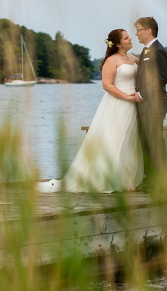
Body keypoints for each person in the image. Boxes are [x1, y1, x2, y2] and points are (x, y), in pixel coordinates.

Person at [37, 29, 144, 193]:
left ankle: (127, 179)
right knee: (115, 139)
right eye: (126, 37)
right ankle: (108, 178)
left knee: (129, 140)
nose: (130, 39)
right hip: (118, 104)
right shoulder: (112, 60)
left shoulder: (133, 58)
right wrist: (128, 98)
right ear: (117, 44)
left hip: (133, 105)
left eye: (129, 36)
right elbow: (107, 85)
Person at [133, 17, 167, 189]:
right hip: (144, 106)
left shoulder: (158, 51)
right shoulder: (146, 51)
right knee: (146, 142)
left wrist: (142, 94)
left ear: (148, 30)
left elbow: (160, 80)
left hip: (154, 105)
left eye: (138, 29)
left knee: (154, 142)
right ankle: (151, 179)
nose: (136, 33)